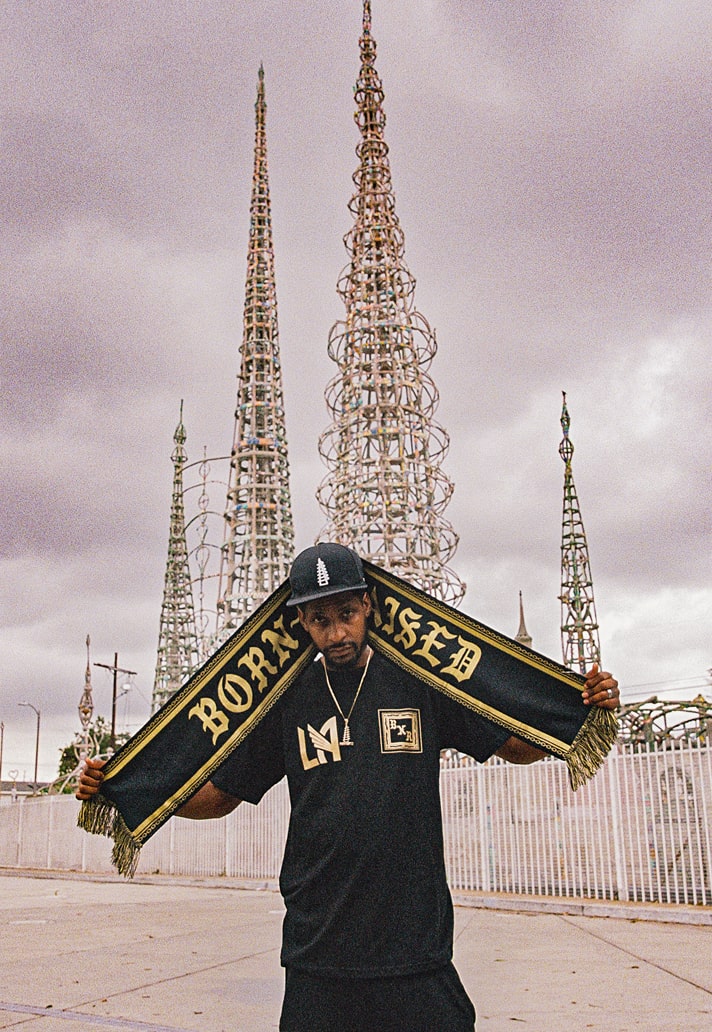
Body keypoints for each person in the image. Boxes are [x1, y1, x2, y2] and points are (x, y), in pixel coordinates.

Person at [78, 542, 619, 1032]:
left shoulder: (421, 681)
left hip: (414, 947)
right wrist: (120, 790)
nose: (336, 632)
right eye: (320, 619)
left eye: (345, 614)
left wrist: (583, 708)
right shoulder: (284, 702)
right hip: (319, 950)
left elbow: (516, 746)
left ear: (368, 608)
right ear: (301, 625)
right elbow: (217, 797)